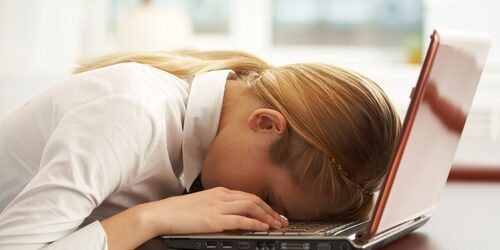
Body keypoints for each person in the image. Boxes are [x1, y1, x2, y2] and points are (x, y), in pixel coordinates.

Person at [0, 50, 401, 249]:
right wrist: (150, 219)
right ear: (265, 124)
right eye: (267, 197)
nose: (259, 213)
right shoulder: (134, 114)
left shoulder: (204, 120)